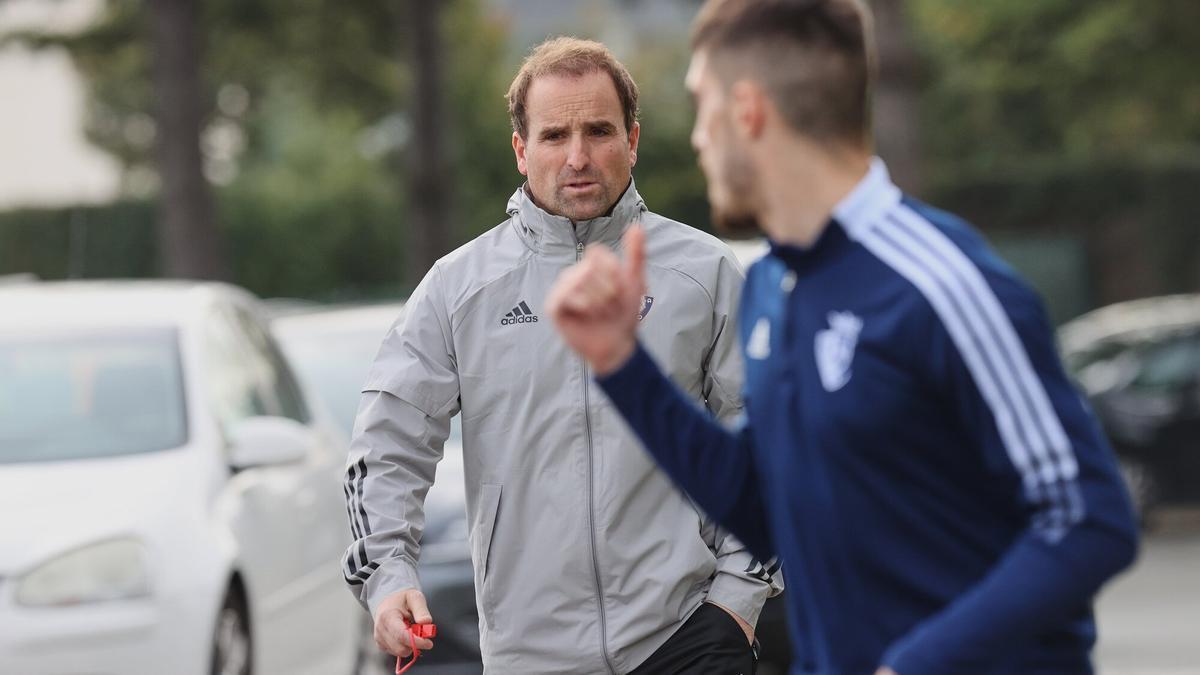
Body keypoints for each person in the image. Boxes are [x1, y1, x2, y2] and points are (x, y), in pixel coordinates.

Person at [546, 1, 1140, 673]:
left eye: (701, 105)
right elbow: (768, 507)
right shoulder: (772, 284)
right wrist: (621, 364)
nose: (697, 139)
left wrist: (913, 664)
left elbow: (1087, 520)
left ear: (747, 111)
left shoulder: (940, 279)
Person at [342, 36, 781, 674]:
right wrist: (386, 576)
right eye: (554, 136)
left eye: (599, 131)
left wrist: (739, 599)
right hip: (529, 653)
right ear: (522, 150)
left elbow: (771, 438)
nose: (578, 156)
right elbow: (385, 446)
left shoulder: (705, 273)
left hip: (687, 637)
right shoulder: (458, 287)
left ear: (632, 140)